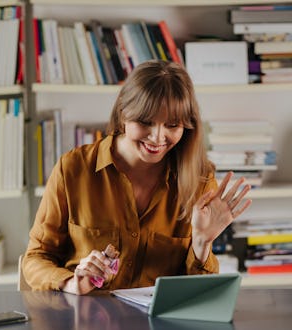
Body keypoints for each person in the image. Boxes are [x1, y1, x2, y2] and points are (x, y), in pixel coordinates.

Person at [23, 60, 252, 294]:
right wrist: (71, 282)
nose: (157, 137)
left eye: (172, 125)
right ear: (124, 113)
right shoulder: (72, 169)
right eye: (145, 122)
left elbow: (198, 293)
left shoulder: (200, 183)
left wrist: (202, 242)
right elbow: (36, 258)